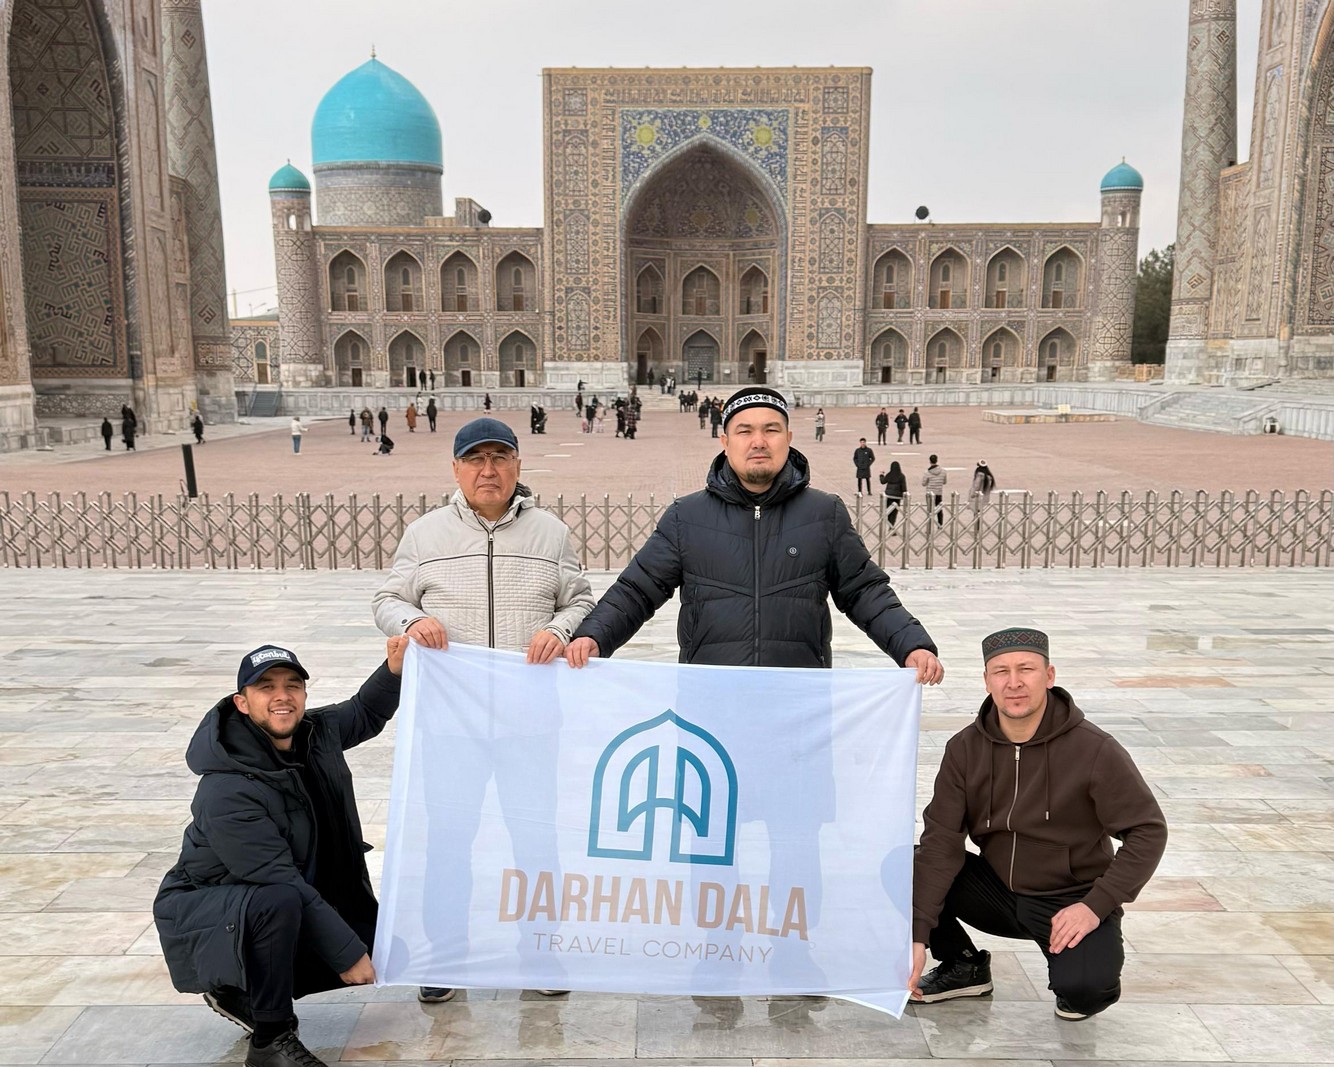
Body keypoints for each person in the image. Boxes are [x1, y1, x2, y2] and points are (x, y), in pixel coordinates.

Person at [372, 416, 595, 1003]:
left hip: (530, 723)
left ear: (518, 466)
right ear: (456, 469)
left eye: (499, 458)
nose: (488, 470)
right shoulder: (426, 535)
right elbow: (387, 598)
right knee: (449, 839)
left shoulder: (550, 534)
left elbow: (580, 601)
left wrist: (559, 629)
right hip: (452, 725)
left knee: (536, 841)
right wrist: (412, 620)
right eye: (476, 459)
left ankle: (541, 954)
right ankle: (445, 957)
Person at [566, 386, 943, 681]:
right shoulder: (687, 517)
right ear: (725, 441)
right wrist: (594, 636)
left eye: (771, 430)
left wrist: (911, 645)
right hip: (710, 703)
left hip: (798, 701)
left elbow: (863, 591)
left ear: (788, 438)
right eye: (744, 431)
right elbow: (637, 591)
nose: (758, 441)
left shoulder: (823, 514)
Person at [153, 638, 409, 1067]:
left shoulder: (315, 732)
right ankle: (271, 1039)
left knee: (385, 948)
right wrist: (345, 952)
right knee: (283, 902)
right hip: (209, 915)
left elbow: (365, 711)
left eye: (292, 685)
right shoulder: (226, 788)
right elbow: (276, 878)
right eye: (266, 687)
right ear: (242, 702)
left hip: (265, 901)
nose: (282, 696)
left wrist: (394, 668)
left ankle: (241, 993)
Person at [909, 628, 1167, 1021]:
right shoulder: (964, 749)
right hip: (997, 892)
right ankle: (963, 965)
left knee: (1085, 993)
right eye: (1001, 671)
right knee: (905, 864)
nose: (1013, 682)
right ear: (986, 681)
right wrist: (918, 935)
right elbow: (941, 842)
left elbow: (1148, 830)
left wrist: (1095, 906)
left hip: (1071, 899)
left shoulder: (1094, 749)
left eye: (1026, 669)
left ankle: (1075, 967)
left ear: (1049, 676)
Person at [880, 460, 907, 532]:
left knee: (889, 511)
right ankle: (892, 526)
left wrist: (881, 475)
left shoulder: (889, 475)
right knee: (894, 513)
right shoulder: (901, 476)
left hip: (888, 496)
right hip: (897, 497)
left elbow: (883, 481)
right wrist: (904, 495)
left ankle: (890, 525)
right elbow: (904, 488)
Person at [922, 454, 947, 528]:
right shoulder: (943, 471)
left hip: (930, 493)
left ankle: (929, 526)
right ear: (937, 460)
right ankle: (940, 524)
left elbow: (923, 483)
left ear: (930, 461)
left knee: (930, 510)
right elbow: (944, 482)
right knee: (939, 509)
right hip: (939, 492)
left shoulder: (927, 472)